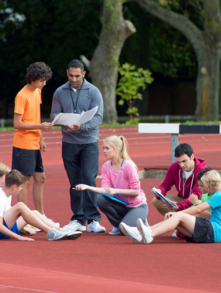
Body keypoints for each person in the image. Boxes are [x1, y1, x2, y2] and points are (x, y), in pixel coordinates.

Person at [121, 170, 221, 244]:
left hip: (212, 231)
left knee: (178, 216)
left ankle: (150, 234)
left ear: (211, 186)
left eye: (202, 186)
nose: (201, 189)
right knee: (176, 222)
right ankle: (140, 234)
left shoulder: (220, 196)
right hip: (212, 233)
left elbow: (198, 209)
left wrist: (178, 213)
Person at [50, 59, 105, 233]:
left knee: (88, 179)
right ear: (67, 73)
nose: (74, 79)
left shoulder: (94, 91)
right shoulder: (59, 92)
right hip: (69, 143)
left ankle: (94, 220)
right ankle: (79, 219)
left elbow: (98, 118)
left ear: (84, 74)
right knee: (74, 181)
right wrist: (60, 120)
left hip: (89, 143)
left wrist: (82, 126)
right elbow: (53, 114)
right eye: (71, 75)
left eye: (77, 76)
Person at [74, 135, 148, 235]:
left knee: (124, 231)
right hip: (122, 205)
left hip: (137, 206)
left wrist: (116, 190)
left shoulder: (129, 166)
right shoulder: (106, 167)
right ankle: (122, 225)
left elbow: (136, 192)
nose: (104, 151)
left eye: (107, 148)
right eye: (103, 148)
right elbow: (105, 190)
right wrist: (87, 187)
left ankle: (140, 223)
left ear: (117, 149)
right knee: (101, 200)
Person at [0, 170, 82, 241]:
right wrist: (18, 237)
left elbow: (8, 216)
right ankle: (51, 232)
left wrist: (26, 226)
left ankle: (60, 230)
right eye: (20, 187)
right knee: (20, 206)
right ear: (14, 186)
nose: (21, 189)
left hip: (2, 227)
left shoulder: (7, 195)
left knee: (35, 213)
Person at [12, 62, 53, 220]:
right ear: (33, 79)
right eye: (42, 80)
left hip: (34, 142)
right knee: (25, 181)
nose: (44, 83)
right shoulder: (22, 95)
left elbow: (36, 115)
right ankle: (24, 218)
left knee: (40, 178)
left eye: (45, 80)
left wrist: (41, 136)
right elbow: (17, 123)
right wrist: (39, 127)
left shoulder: (37, 91)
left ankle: (41, 216)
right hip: (23, 143)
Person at [152, 143, 206, 237]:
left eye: (184, 161)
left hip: (196, 205)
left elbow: (195, 195)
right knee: (156, 200)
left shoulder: (201, 171)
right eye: (179, 162)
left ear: (192, 156)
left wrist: (178, 207)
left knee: (185, 232)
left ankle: (176, 226)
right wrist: (160, 192)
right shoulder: (174, 167)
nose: (181, 165)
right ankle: (177, 224)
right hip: (182, 202)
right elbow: (165, 185)